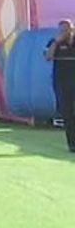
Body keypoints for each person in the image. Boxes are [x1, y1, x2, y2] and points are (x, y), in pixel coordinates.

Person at [46, 20, 75, 154]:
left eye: (66, 30)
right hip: (62, 84)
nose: (64, 33)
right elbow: (48, 57)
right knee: (67, 114)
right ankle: (72, 144)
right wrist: (56, 42)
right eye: (61, 30)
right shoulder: (54, 42)